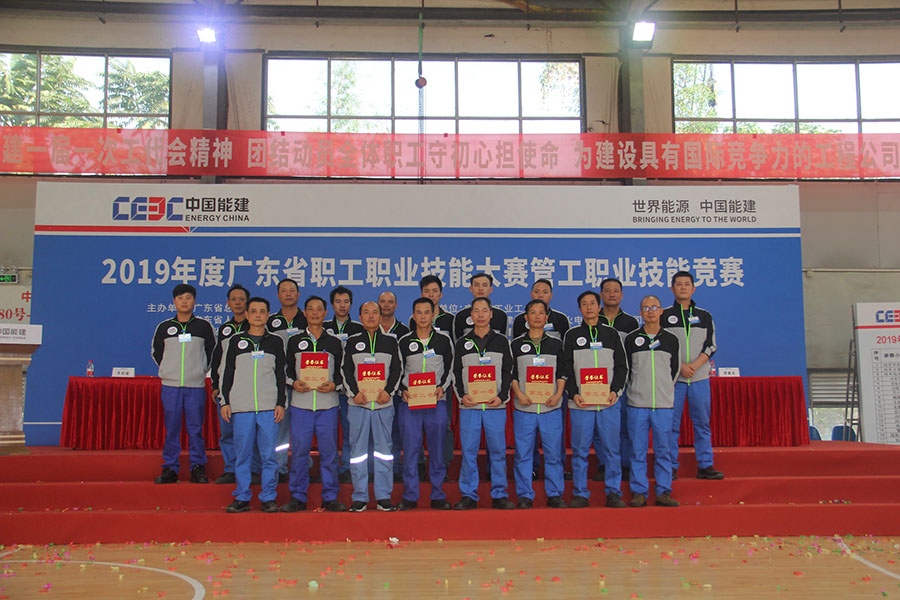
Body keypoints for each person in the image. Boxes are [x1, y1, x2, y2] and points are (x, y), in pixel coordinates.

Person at [220, 296, 286, 513]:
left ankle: (268, 497)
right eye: (254, 311)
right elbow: (227, 373)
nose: (258, 315)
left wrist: (280, 403)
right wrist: (225, 401)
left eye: (262, 311)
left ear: (268, 315)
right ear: (247, 315)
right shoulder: (235, 341)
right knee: (242, 455)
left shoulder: (275, 342)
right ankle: (242, 496)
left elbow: (280, 374)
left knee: (269, 455)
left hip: (268, 408)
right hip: (242, 408)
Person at [563, 290, 628, 508]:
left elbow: (622, 367)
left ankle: (613, 492)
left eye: (592, 303)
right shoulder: (572, 335)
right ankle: (580, 493)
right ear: (579, 309)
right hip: (580, 404)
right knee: (580, 451)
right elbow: (566, 368)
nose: (589, 307)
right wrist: (573, 393)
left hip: (608, 403)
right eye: (584, 304)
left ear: (599, 307)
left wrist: (615, 390)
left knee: (611, 449)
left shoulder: (611, 334)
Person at [282, 296, 347, 512]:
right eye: (311, 309)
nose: (315, 313)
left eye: (319, 309)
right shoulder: (294, 341)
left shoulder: (334, 342)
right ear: (305, 313)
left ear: (325, 313)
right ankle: (298, 496)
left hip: (328, 405)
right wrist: (293, 383)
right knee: (299, 452)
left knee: (329, 453)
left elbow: (343, 373)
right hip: (301, 405)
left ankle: (330, 496)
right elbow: (286, 370)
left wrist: (335, 384)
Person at [452, 297, 514, 510]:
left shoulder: (501, 341)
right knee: (469, 452)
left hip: (495, 406)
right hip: (470, 407)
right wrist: (462, 396)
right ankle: (468, 495)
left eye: (484, 310)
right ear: (471, 315)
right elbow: (456, 373)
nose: (480, 315)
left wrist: (502, 396)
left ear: (491, 314)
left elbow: (508, 371)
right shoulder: (462, 343)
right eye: (476, 311)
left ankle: (500, 494)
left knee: (498, 452)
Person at [661, 271, 724, 480]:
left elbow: (711, 345)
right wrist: (680, 367)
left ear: (693, 288)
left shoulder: (704, 316)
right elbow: (661, 347)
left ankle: (705, 465)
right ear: (672, 289)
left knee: (702, 423)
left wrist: (694, 366)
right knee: (671, 425)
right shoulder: (664, 315)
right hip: (674, 380)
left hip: (699, 378)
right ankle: (670, 466)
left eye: (687, 284)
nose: (683, 287)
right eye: (679, 284)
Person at [150, 283, 216, 485]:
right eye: (180, 298)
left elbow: (212, 352)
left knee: (195, 428)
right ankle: (170, 467)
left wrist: (199, 370)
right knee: (171, 428)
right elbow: (157, 353)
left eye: (188, 298)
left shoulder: (203, 326)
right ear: (174, 301)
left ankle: (198, 467)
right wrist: (169, 371)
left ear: (194, 301)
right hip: (170, 386)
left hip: (195, 386)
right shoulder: (164, 327)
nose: (184, 301)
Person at [342, 301, 402, 512]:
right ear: (360, 317)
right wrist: (354, 393)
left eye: (375, 312)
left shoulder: (390, 341)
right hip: (358, 405)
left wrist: (389, 391)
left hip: (383, 404)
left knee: (384, 451)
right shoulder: (352, 341)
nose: (370, 316)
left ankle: (383, 496)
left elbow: (397, 370)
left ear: (380, 315)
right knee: (358, 452)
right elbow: (345, 370)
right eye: (366, 312)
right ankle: (360, 496)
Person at [396, 297, 455, 510]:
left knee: (437, 450)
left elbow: (450, 367)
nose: (422, 316)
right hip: (410, 403)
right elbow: (397, 371)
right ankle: (410, 495)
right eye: (418, 312)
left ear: (433, 315)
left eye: (426, 312)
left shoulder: (443, 340)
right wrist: (402, 390)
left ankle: (438, 494)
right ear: (413, 315)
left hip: (436, 401)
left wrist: (442, 387)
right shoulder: (404, 341)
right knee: (411, 450)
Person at [511, 279, 571, 480]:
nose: (537, 316)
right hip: (525, 404)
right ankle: (524, 491)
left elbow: (562, 371)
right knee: (523, 453)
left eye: (540, 313)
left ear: (546, 317)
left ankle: (555, 490)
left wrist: (558, 394)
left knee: (553, 452)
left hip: (551, 404)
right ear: (526, 317)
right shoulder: (516, 344)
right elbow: (512, 372)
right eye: (533, 313)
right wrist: (519, 394)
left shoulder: (556, 344)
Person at [623, 295, 680, 508]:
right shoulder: (632, 339)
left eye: (654, 307)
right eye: (646, 308)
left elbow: (674, 370)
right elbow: (627, 370)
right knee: (637, 450)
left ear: (661, 311)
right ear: (640, 312)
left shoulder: (671, 339)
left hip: (663, 405)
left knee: (663, 450)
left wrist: (664, 390)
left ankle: (663, 491)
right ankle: (639, 491)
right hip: (637, 404)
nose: (650, 311)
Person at [210, 284, 260, 485]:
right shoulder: (225, 329)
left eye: (242, 299)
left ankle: (254, 469)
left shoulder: (257, 328)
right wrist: (216, 384)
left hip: (251, 387)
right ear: (228, 303)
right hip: (228, 388)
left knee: (252, 431)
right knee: (228, 430)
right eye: (234, 299)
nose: (238, 303)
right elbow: (217, 359)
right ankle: (231, 468)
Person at [407, 274, 456, 472]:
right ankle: (419, 464)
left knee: (443, 425)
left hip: (440, 386)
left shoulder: (450, 319)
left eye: (434, 291)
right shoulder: (412, 320)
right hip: (417, 387)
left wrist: (443, 384)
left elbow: (452, 354)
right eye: (426, 291)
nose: (431, 294)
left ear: (441, 294)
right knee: (415, 427)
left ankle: (443, 463)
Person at [598, 277, 641, 483]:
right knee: (600, 428)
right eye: (607, 291)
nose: (611, 294)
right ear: (601, 295)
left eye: (616, 291)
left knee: (623, 427)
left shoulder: (630, 323)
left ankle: (624, 465)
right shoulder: (592, 319)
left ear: (622, 295)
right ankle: (603, 464)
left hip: (623, 383)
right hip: (597, 384)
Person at [267, 278, 308, 483]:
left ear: (298, 294)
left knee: (303, 429)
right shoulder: (270, 321)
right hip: (278, 383)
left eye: (292, 290)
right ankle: (280, 467)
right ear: (278, 295)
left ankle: (304, 466)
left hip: (305, 384)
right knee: (280, 428)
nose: (289, 294)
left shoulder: (308, 318)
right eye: (284, 291)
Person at [325, 285, 365, 483]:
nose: (342, 305)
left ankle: (348, 468)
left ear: (351, 304)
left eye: (346, 302)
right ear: (332, 304)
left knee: (351, 431)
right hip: (328, 389)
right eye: (338, 301)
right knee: (328, 432)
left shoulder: (359, 328)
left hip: (351, 390)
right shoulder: (323, 328)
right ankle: (330, 469)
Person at [379, 290, 411, 482]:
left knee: (396, 432)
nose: (386, 305)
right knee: (376, 433)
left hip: (397, 390)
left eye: (390, 302)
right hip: (372, 391)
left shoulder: (404, 331)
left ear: (396, 305)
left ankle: (396, 468)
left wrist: (399, 387)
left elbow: (405, 363)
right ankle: (375, 470)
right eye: (382, 301)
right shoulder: (370, 329)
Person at [453, 272, 509, 340]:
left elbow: (504, 342)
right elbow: (457, 343)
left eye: (484, 285)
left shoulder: (501, 316)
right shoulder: (461, 316)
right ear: (471, 289)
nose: (480, 288)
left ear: (490, 289)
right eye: (477, 285)